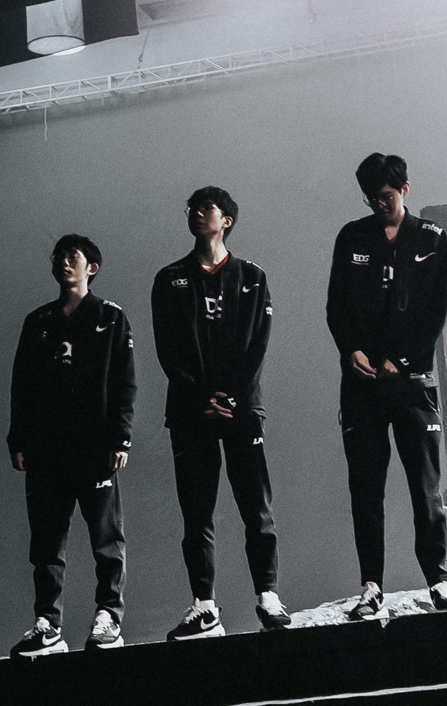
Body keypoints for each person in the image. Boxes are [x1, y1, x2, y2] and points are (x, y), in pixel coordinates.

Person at [326, 153, 447, 620]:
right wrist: (352, 350)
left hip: (412, 384)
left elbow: (436, 310)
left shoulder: (431, 237)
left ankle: (439, 581)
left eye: (386, 196)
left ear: (404, 189)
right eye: (371, 198)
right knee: (366, 491)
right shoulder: (352, 236)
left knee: (426, 489)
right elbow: (336, 304)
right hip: (362, 386)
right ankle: (371, 587)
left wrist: (401, 359)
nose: (379, 204)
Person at [152, 186, 290, 640]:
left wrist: (229, 395)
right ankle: (204, 606)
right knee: (197, 513)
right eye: (192, 207)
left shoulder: (252, 276)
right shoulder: (169, 278)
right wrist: (200, 397)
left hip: (242, 408)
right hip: (190, 411)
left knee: (256, 506)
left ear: (226, 219)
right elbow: (168, 349)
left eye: (206, 207)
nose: (197, 213)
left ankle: (268, 596)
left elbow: (258, 343)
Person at [7, 234, 136, 657]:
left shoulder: (110, 317)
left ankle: (109, 617)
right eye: (59, 256)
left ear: (91, 268)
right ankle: (48, 625)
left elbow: (124, 382)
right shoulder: (38, 321)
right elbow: (22, 385)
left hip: (94, 447)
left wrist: (120, 437)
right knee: (46, 542)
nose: (64, 261)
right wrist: (18, 439)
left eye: (73, 256)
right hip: (47, 449)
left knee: (105, 538)